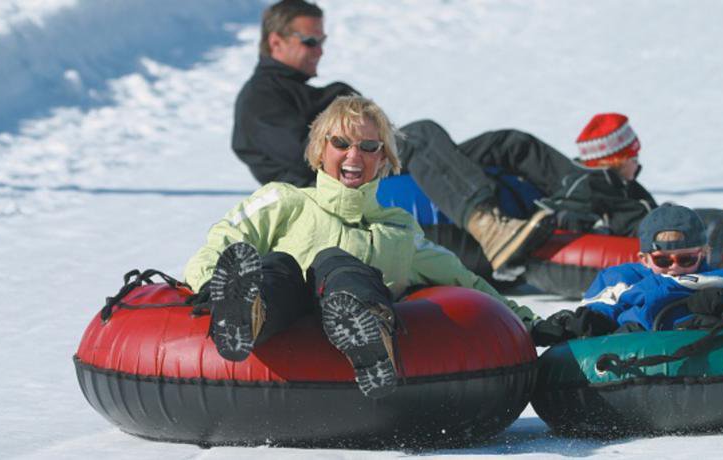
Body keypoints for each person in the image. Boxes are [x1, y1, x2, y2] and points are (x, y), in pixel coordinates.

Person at [187, 95, 548, 399]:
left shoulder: (397, 229)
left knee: (338, 265)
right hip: (285, 315)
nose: (353, 155)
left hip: (352, 329)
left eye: (368, 146)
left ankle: (369, 335)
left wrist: (527, 321)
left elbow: (464, 281)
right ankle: (246, 313)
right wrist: (207, 285)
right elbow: (224, 240)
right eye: (340, 143)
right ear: (318, 150)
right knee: (280, 265)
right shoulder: (285, 201)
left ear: (384, 159)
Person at [231, 0, 593, 272]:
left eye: (322, 40)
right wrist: (341, 102)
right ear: (276, 42)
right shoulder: (261, 101)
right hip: (341, 196)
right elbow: (314, 158)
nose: (320, 50)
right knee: (420, 135)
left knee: (508, 144)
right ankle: (488, 225)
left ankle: (593, 196)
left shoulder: (308, 92)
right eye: (310, 41)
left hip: (372, 166)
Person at [535, 113, 723, 269]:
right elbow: (567, 209)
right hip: (634, 232)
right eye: (633, 157)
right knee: (682, 219)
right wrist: (595, 225)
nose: (638, 163)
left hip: (645, 225)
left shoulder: (625, 183)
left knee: (686, 215)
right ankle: (710, 246)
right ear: (615, 159)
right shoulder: (584, 183)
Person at [531, 204, 723, 346]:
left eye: (686, 259)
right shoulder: (623, 279)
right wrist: (591, 321)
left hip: (697, 344)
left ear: (704, 254)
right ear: (644, 259)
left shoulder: (722, 279)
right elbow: (600, 305)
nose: (674, 267)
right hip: (636, 349)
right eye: (662, 260)